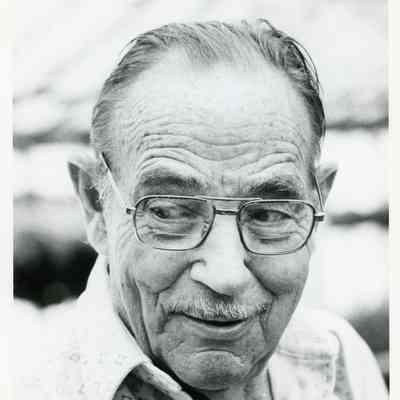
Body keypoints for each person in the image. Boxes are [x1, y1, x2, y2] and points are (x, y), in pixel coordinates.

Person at [18, 20, 387, 400]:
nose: (226, 276)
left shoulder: (337, 362)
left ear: (318, 204)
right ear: (96, 206)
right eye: (170, 212)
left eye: (268, 214)